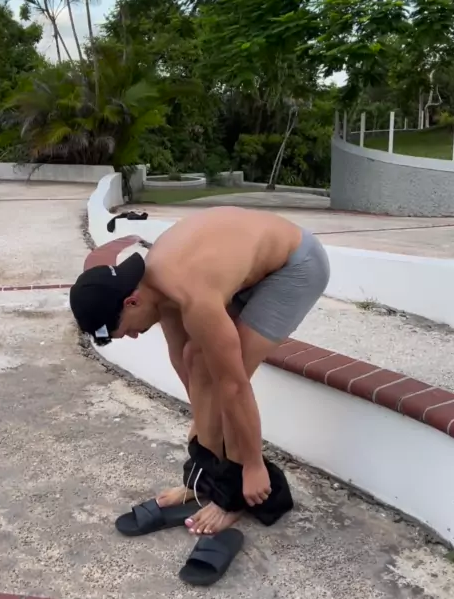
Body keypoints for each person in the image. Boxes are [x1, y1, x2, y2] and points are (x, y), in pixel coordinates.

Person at [70, 207, 330, 535]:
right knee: (198, 361)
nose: (134, 336)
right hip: (245, 266)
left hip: (296, 266)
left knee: (226, 376)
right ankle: (205, 479)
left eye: (127, 330)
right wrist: (203, 426)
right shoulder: (155, 291)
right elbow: (184, 361)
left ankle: (233, 496)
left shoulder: (190, 294)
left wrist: (253, 464)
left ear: (131, 302)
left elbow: (234, 386)